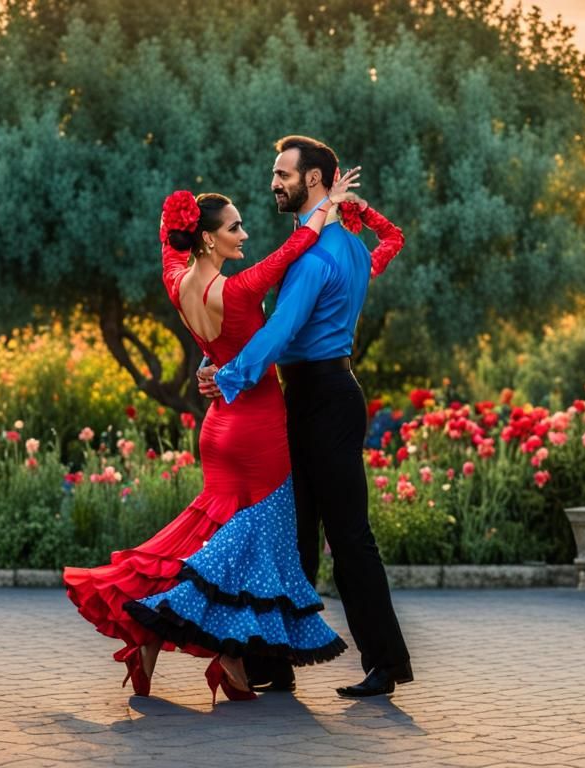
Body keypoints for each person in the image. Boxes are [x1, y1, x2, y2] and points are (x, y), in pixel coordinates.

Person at [65, 165, 402, 703]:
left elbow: (178, 245)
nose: (245, 234)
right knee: (257, 541)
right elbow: (295, 288)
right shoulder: (249, 284)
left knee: (218, 539)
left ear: (312, 177)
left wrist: (216, 366)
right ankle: (236, 654)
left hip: (225, 420)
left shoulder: (177, 277)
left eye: (283, 174)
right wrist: (340, 209)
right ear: (207, 236)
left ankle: (185, 642)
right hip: (259, 416)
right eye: (235, 227)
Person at [198, 135, 413, 698]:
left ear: (314, 180)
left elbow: (280, 331)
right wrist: (358, 212)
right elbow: (391, 240)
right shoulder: (344, 248)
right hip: (320, 395)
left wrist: (229, 378)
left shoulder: (315, 257)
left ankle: (385, 663)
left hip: (321, 396)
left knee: (345, 537)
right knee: (296, 535)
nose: (275, 183)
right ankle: (276, 662)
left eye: (283, 174)